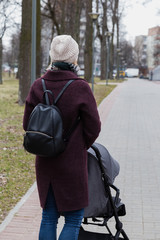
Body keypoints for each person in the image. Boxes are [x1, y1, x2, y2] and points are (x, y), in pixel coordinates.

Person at [23, 35, 101, 240]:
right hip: (73, 163)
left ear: (52, 55)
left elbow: (27, 125)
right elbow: (94, 127)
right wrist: (78, 144)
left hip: (46, 162)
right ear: (74, 58)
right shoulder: (81, 87)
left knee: (48, 217)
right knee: (73, 220)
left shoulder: (37, 85)